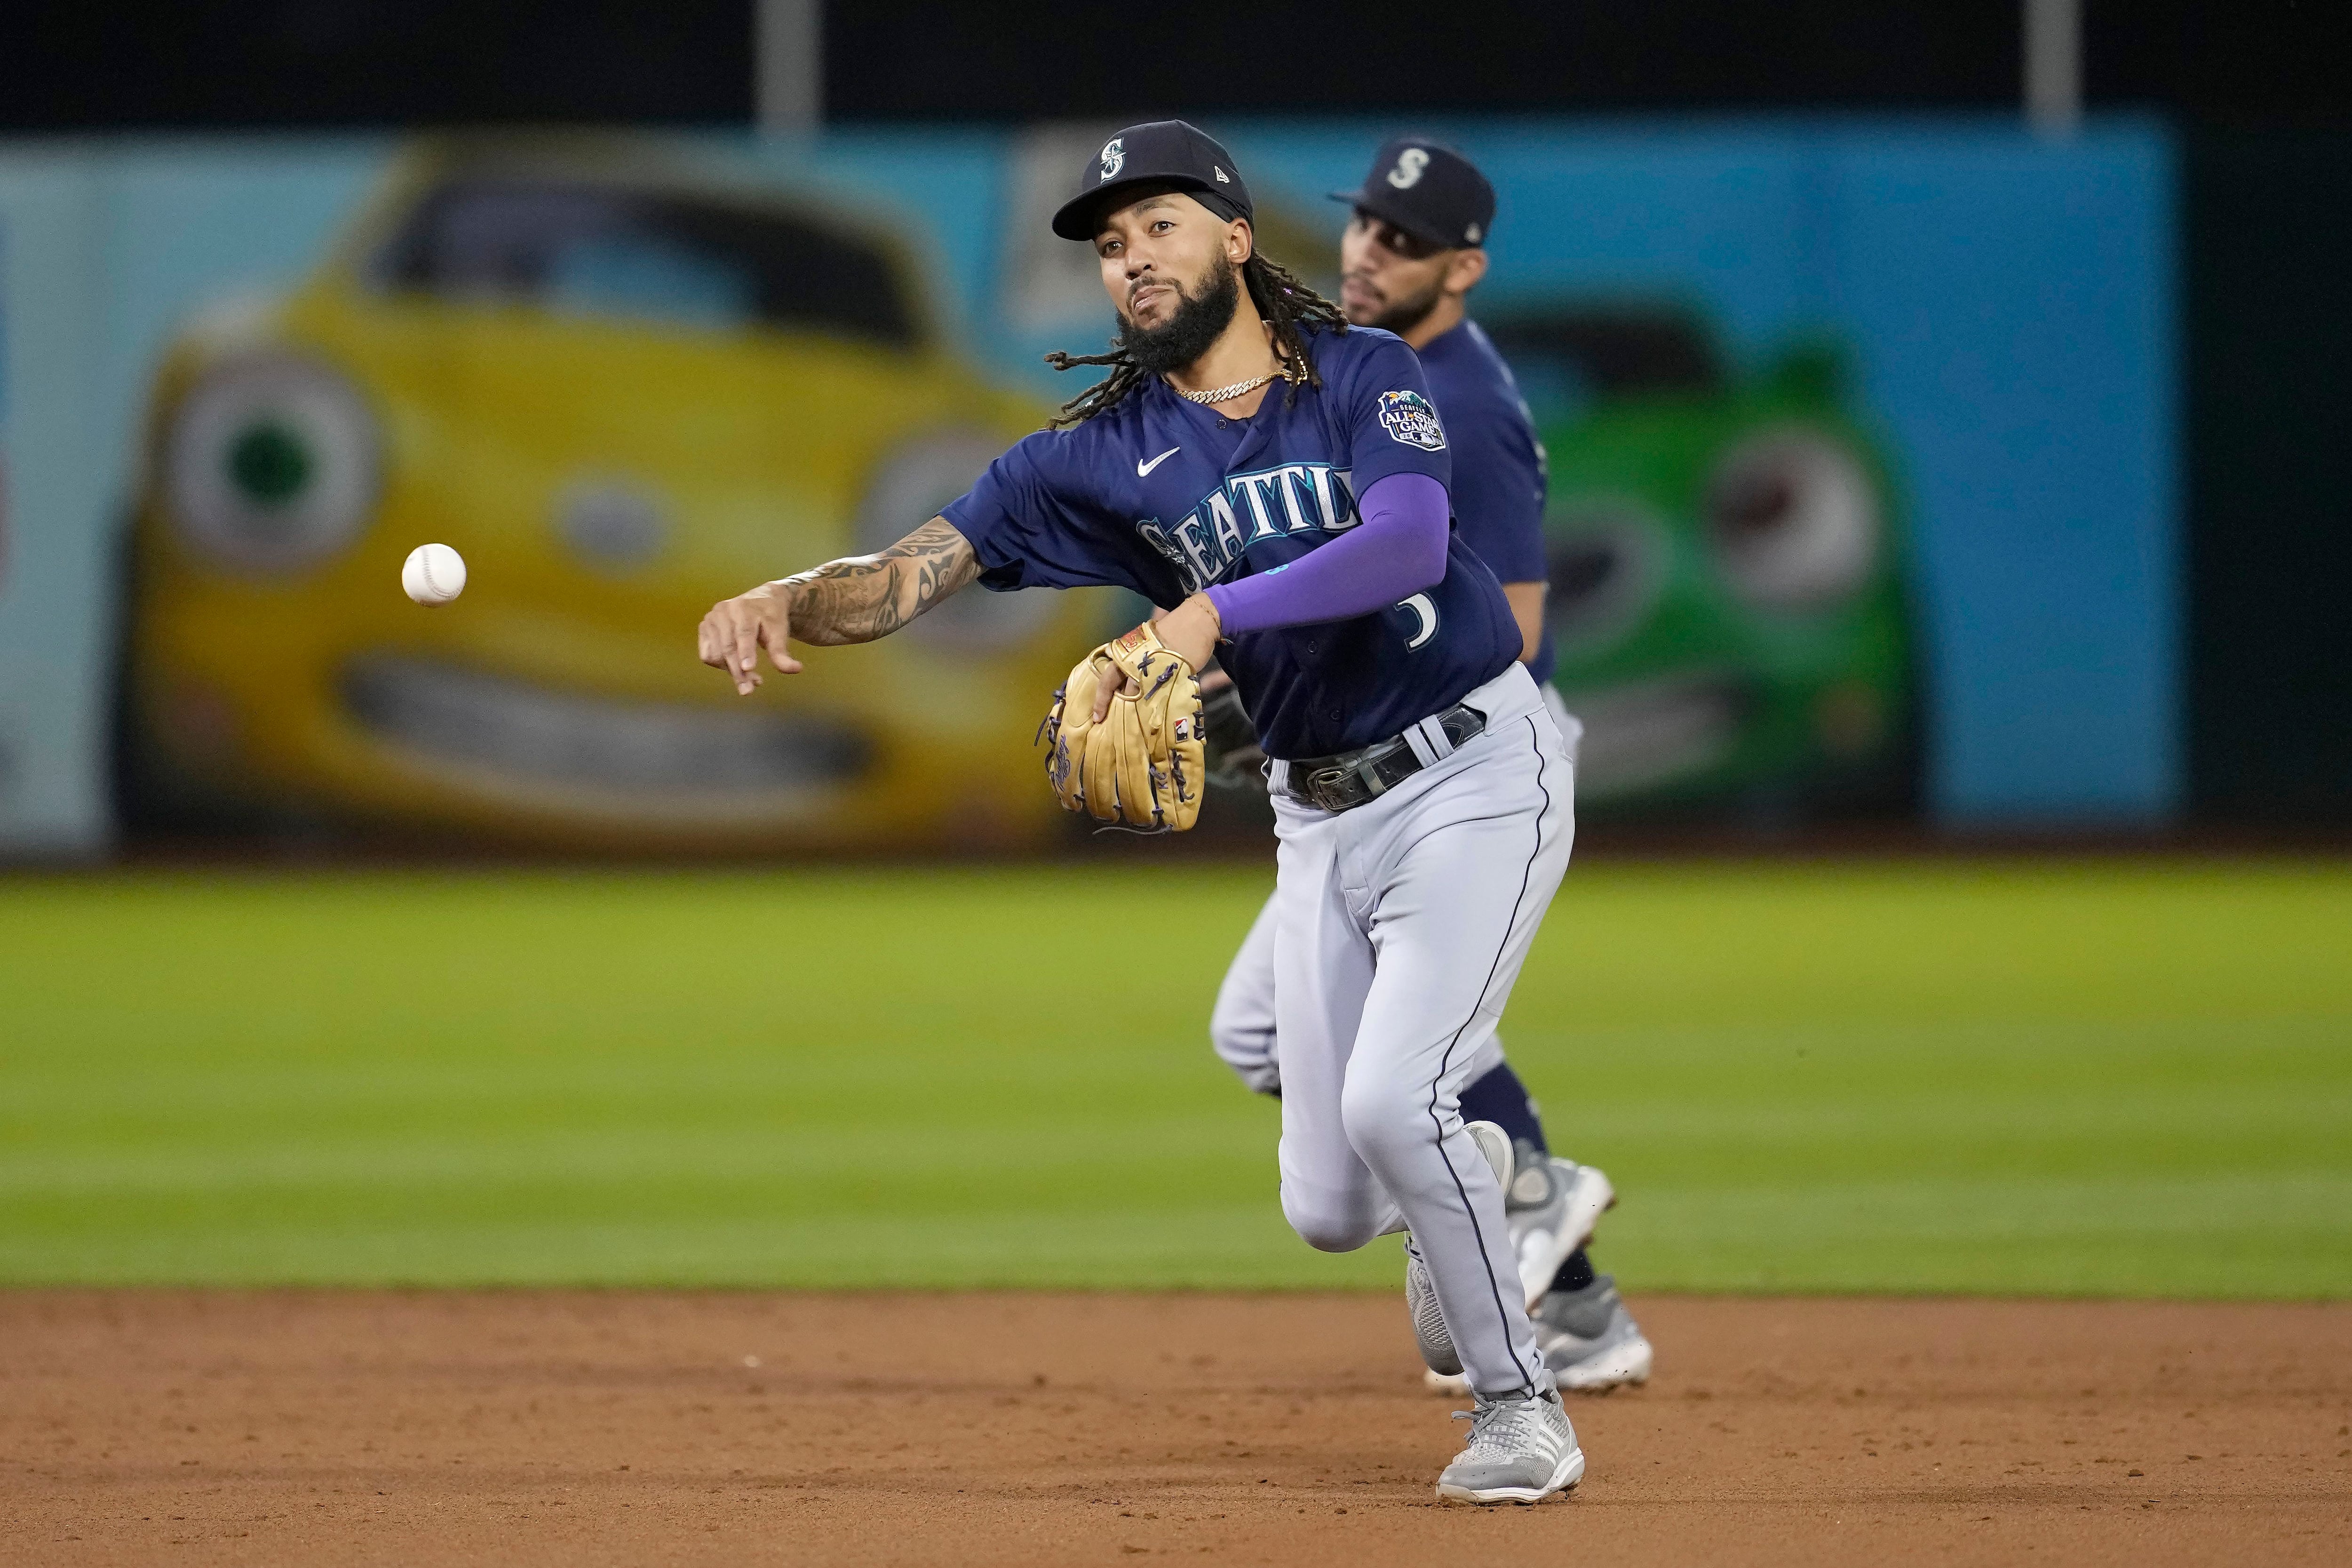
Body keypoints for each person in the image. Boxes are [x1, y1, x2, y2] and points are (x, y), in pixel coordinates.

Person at [698, 120, 1583, 1504]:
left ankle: (1522, 1411)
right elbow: (906, 572)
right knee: (1328, 1209)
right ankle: (1457, 1183)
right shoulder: (1098, 456)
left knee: (1392, 1103)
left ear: (1236, 238)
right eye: (1109, 245)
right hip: (1318, 817)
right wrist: (784, 594)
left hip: (1475, 772)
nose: (1130, 259)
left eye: (1157, 224)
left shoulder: (1364, 372)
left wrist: (1206, 614)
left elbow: (1408, 541)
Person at [1203, 138, 1652, 1397]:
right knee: (1272, 1035)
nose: (1364, 251)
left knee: (1385, 1072)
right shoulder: (1389, 372)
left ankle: (1527, 1190)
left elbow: (1510, 625)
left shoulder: (1459, 400)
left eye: (1401, 242)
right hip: (1387, 756)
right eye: (1362, 226)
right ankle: (1577, 1306)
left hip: (1468, 766)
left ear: (1464, 268)